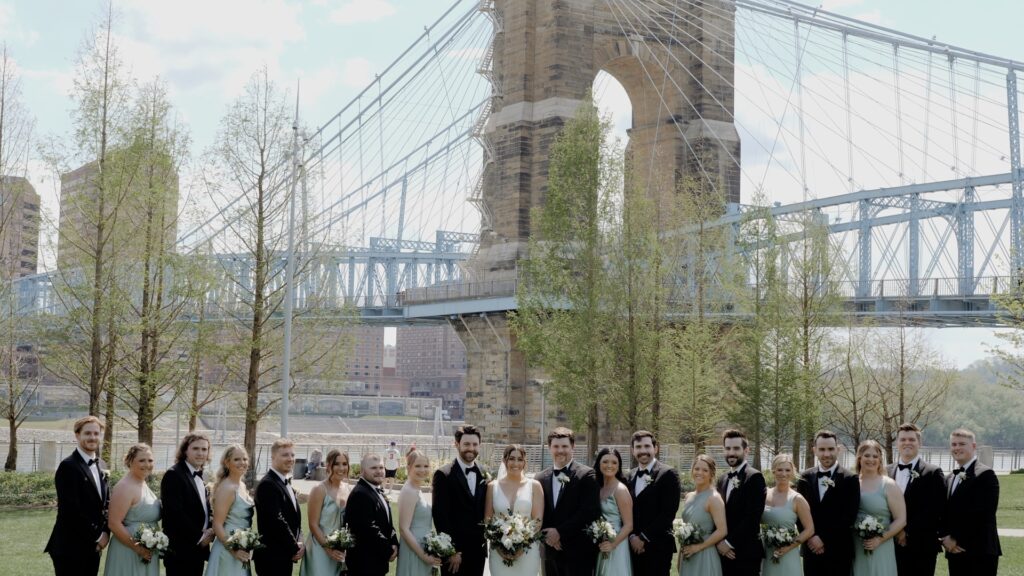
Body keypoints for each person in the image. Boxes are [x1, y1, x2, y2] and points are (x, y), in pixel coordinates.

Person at [45, 415, 111, 576]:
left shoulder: (102, 465)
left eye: (96, 433)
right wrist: (98, 536)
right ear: (77, 435)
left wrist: (106, 532)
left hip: (92, 547)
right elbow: (70, 510)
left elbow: (106, 504)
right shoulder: (68, 466)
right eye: (87, 433)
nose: (92, 437)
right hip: (70, 547)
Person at [535, 427, 600, 576]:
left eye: (565, 446)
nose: (560, 450)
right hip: (549, 552)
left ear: (573, 447)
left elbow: (590, 511)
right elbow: (538, 512)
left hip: (578, 551)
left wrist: (560, 533)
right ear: (549, 448)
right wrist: (548, 536)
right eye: (556, 446)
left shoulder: (587, 475)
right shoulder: (539, 478)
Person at [797, 430, 860, 576]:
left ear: (838, 449)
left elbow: (849, 516)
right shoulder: (805, 477)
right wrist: (811, 539)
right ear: (814, 451)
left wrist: (823, 538)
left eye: (831, 449)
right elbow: (799, 514)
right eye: (822, 449)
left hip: (839, 550)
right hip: (811, 549)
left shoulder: (850, 479)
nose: (826, 454)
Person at [940, 428, 1001, 576]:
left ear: (973, 446)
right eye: (954, 444)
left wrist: (954, 537)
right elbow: (944, 512)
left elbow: (984, 513)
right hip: (954, 551)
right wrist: (944, 537)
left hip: (980, 551)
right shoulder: (949, 478)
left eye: (962, 444)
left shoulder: (985, 474)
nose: (957, 448)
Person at [886, 423, 944, 576]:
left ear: (920, 443)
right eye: (903, 439)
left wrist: (906, 532)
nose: (907, 443)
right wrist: (893, 532)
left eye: (911, 439)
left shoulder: (933, 473)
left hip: (921, 546)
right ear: (897, 443)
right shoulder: (886, 471)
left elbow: (933, 510)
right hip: (889, 544)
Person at [432, 425, 488, 576]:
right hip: (454, 555)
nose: (471, 448)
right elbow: (440, 516)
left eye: (475, 444)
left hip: (478, 552)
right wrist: (451, 551)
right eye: (466, 444)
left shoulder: (484, 472)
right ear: (456, 444)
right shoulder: (443, 474)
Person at [628, 430, 681, 576]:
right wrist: (632, 537)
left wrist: (643, 537)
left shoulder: (668, 473)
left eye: (647, 446)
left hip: (659, 547)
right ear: (633, 451)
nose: (643, 451)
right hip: (632, 547)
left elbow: (668, 512)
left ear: (655, 448)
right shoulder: (630, 475)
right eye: (638, 447)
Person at [484, 445, 544, 576]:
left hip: (527, 551)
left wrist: (522, 546)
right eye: (511, 458)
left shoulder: (534, 486)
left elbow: (537, 521)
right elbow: (487, 521)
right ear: (504, 461)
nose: (515, 463)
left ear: (524, 462)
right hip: (499, 550)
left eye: (520, 459)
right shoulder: (492, 487)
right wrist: (499, 548)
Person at [104, 444, 162, 576]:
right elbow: (114, 523)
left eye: (150, 460)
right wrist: (139, 549)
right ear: (130, 461)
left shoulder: (141, 482)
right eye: (142, 460)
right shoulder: (125, 486)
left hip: (145, 551)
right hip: (129, 550)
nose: (147, 464)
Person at [162, 433, 215, 576]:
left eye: (204, 449)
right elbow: (175, 513)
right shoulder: (174, 474)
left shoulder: (201, 475)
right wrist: (201, 537)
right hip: (180, 551)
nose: (200, 453)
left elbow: (204, 509)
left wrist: (211, 528)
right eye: (195, 448)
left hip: (198, 551)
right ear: (185, 450)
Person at [715, 429, 766, 576]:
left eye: (736, 448)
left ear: (746, 450)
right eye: (728, 448)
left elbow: (753, 517)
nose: (731, 452)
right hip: (722, 552)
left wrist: (729, 543)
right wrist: (720, 542)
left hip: (746, 554)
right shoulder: (722, 478)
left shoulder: (754, 477)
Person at [852, 440, 906, 576]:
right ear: (859, 458)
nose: (871, 459)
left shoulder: (888, 484)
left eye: (875, 456)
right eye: (867, 455)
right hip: (856, 545)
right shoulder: (851, 483)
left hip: (880, 545)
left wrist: (880, 539)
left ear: (880, 460)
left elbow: (901, 519)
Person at [343, 454, 399, 575]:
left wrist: (394, 541)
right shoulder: (360, 494)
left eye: (381, 467)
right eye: (373, 468)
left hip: (376, 563)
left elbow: (387, 523)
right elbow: (368, 529)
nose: (379, 471)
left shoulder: (376, 489)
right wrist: (388, 549)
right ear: (362, 471)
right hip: (364, 564)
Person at [254, 439, 304, 576]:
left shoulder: (284, 482)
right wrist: (295, 547)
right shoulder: (268, 485)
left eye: (292, 455)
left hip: (284, 554)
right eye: (285, 455)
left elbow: (295, 518)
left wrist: (300, 539)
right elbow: (276, 520)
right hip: (272, 557)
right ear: (273, 457)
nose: (290, 459)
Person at [206, 445, 256, 576]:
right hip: (227, 550)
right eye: (237, 459)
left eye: (245, 459)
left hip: (241, 548)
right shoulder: (227, 488)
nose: (242, 463)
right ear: (227, 463)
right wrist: (234, 550)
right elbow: (217, 525)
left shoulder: (242, 485)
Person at [761, 454, 814, 576]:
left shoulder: (797, 499)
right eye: (779, 470)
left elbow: (809, 529)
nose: (783, 474)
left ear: (792, 472)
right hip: (767, 552)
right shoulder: (764, 494)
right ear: (773, 471)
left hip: (787, 553)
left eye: (787, 470)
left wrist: (788, 547)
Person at [300, 449, 351, 576]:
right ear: (328, 465)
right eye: (336, 464)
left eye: (344, 464)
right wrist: (328, 548)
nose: (341, 468)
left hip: (339, 551)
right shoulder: (319, 490)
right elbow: (313, 524)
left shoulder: (348, 489)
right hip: (319, 549)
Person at [677, 454, 728, 576]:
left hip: (705, 553)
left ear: (711, 474)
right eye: (697, 469)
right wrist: (680, 556)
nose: (699, 472)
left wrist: (698, 547)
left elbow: (722, 530)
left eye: (705, 470)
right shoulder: (689, 496)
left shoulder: (714, 498)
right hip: (688, 554)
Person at [396, 450, 442, 576]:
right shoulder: (410, 491)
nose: (422, 470)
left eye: (426, 466)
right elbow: (404, 529)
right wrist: (424, 556)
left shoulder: (416, 488)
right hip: (415, 550)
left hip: (422, 546)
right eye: (418, 466)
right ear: (408, 467)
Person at [592, 447, 633, 576]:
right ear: (599, 463)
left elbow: (629, 525)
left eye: (614, 462)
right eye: (605, 462)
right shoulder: (598, 487)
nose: (609, 465)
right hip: (601, 543)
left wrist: (612, 544)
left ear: (619, 466)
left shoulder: (620, 489)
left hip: (617, 544)